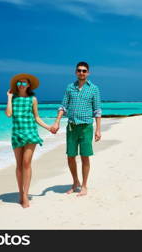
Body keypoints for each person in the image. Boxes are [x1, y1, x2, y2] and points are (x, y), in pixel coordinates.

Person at [51, 62, 102, 196]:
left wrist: (98, 130)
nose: (81, 73)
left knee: (85, 157)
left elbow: (97, 110)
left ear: (88, 73)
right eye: (79, 70)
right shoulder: (70, 88)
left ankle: (84, 186)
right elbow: (63, 106)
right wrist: (56, 122)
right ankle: (75, 182)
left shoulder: (94, 89)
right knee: (70, 156)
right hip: (72, 128)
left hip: (86, 127)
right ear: (75, 72)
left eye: (84, 71)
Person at [5, 73, 53, 208]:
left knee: (26, 163)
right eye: (19, 83)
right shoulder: (13, 98)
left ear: (29, 85)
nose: (21, 85)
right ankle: (21, 193)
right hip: (17, 134)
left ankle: (25, 195)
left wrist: (48, 127)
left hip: (30, 133)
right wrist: (9, 97)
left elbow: (37, 117)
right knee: (19, 165)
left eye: (24, 83)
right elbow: (9, 114)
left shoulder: (33, 99)